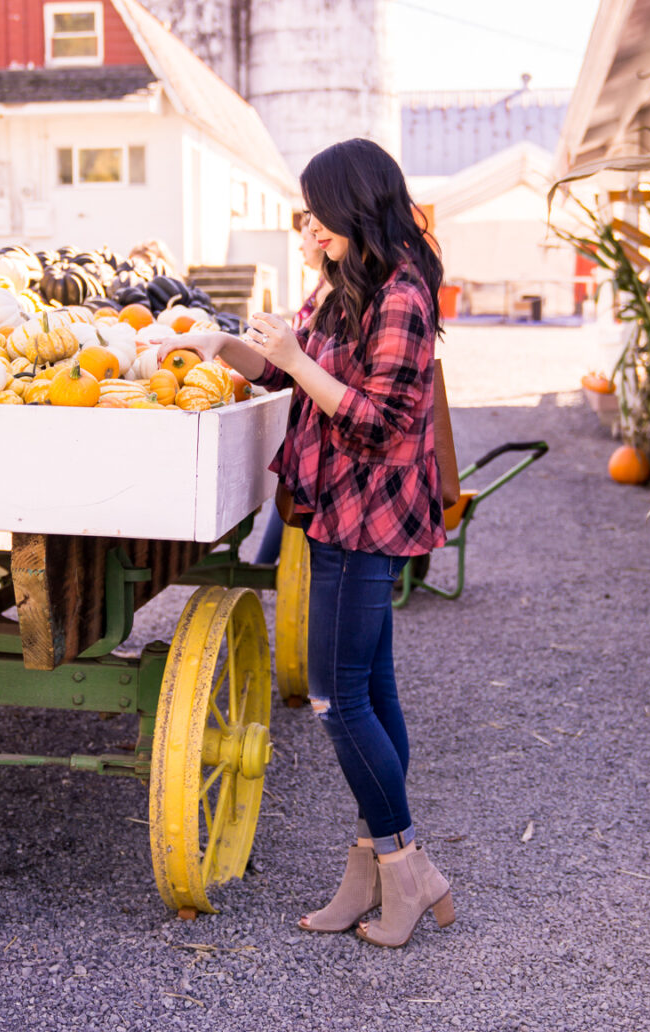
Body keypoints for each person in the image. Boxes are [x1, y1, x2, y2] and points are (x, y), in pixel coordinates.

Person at [159, 138, 453, 948]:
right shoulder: (341, 289)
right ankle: (371, 868)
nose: (308, 227)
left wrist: (294, 358)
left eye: (316, 212)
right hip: (328, 509)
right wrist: (219, 344)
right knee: (373, 691)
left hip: (370, 516)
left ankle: (406, 866)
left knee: (335, 697)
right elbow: (287, 374)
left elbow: (379, 420)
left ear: (354, 207)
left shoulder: (402, 296)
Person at [253, 214, 331, 565]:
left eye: (310, 232)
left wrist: (294, 360)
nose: (305, 239)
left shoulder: (338, 292)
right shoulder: (326, 288)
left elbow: (378, 420)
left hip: (337, 478)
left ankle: (265, 564)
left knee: (290, 494)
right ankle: (265, 563)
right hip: (314, 452)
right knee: (289, 493)